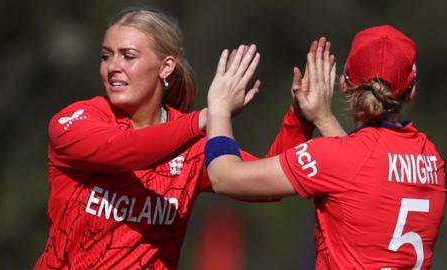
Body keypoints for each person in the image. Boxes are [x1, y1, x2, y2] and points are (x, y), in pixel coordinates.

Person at [34, 6, 313, 270]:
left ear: (166, 67)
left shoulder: (191, 144)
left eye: (128, 56)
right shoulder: (74, 120)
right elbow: (125, 150)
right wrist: (209, 116)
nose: (112, 67)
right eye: (106, 55)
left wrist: (299, 117)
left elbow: (269, 183)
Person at [205, 25, 446, 269]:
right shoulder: (431, 158)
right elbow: (359, 180)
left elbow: (224, 177)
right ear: (412, 91)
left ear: (343, 84)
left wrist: (219, 109)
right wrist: (322, 118)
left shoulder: (341, 159)